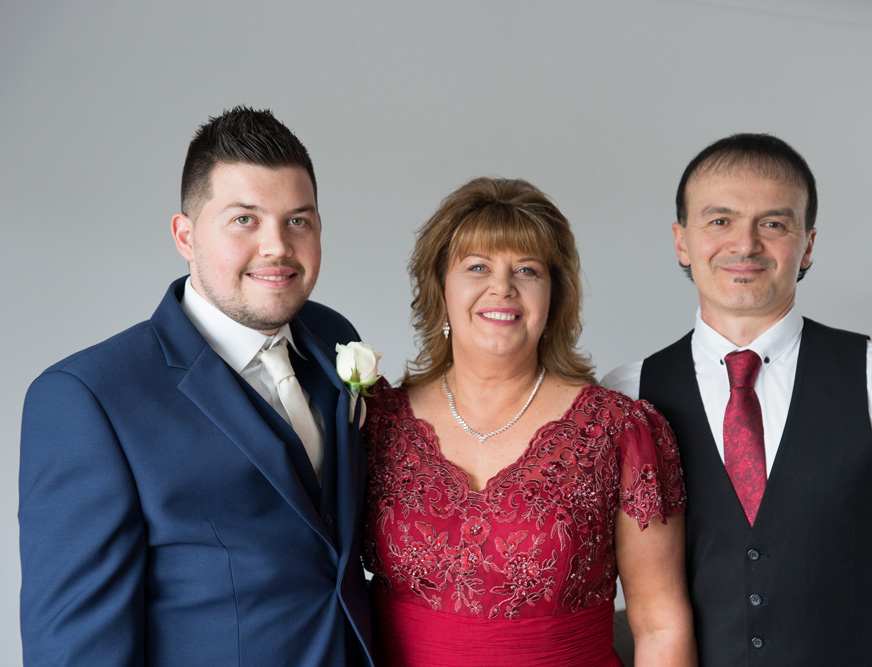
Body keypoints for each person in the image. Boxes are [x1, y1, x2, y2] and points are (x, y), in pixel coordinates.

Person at [604, 133, 872, 666]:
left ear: (807, 245)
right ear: (681, 241)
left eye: (773, 224)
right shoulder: (627, 398)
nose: (745, 245)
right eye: (720, 221)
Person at [19, 107, 373, 666]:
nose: (277, 247)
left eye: (298, 221)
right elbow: (75, 651)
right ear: (186, 236)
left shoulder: (334, 338)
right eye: (244, 220)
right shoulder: (87, 399)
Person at [361, 177, 696, 667]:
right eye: (478, 267)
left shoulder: (618, 431)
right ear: (440, 286)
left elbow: (660, 624)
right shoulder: (376, 422)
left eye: (527, 270)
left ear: (553, 296)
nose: (502, 287)